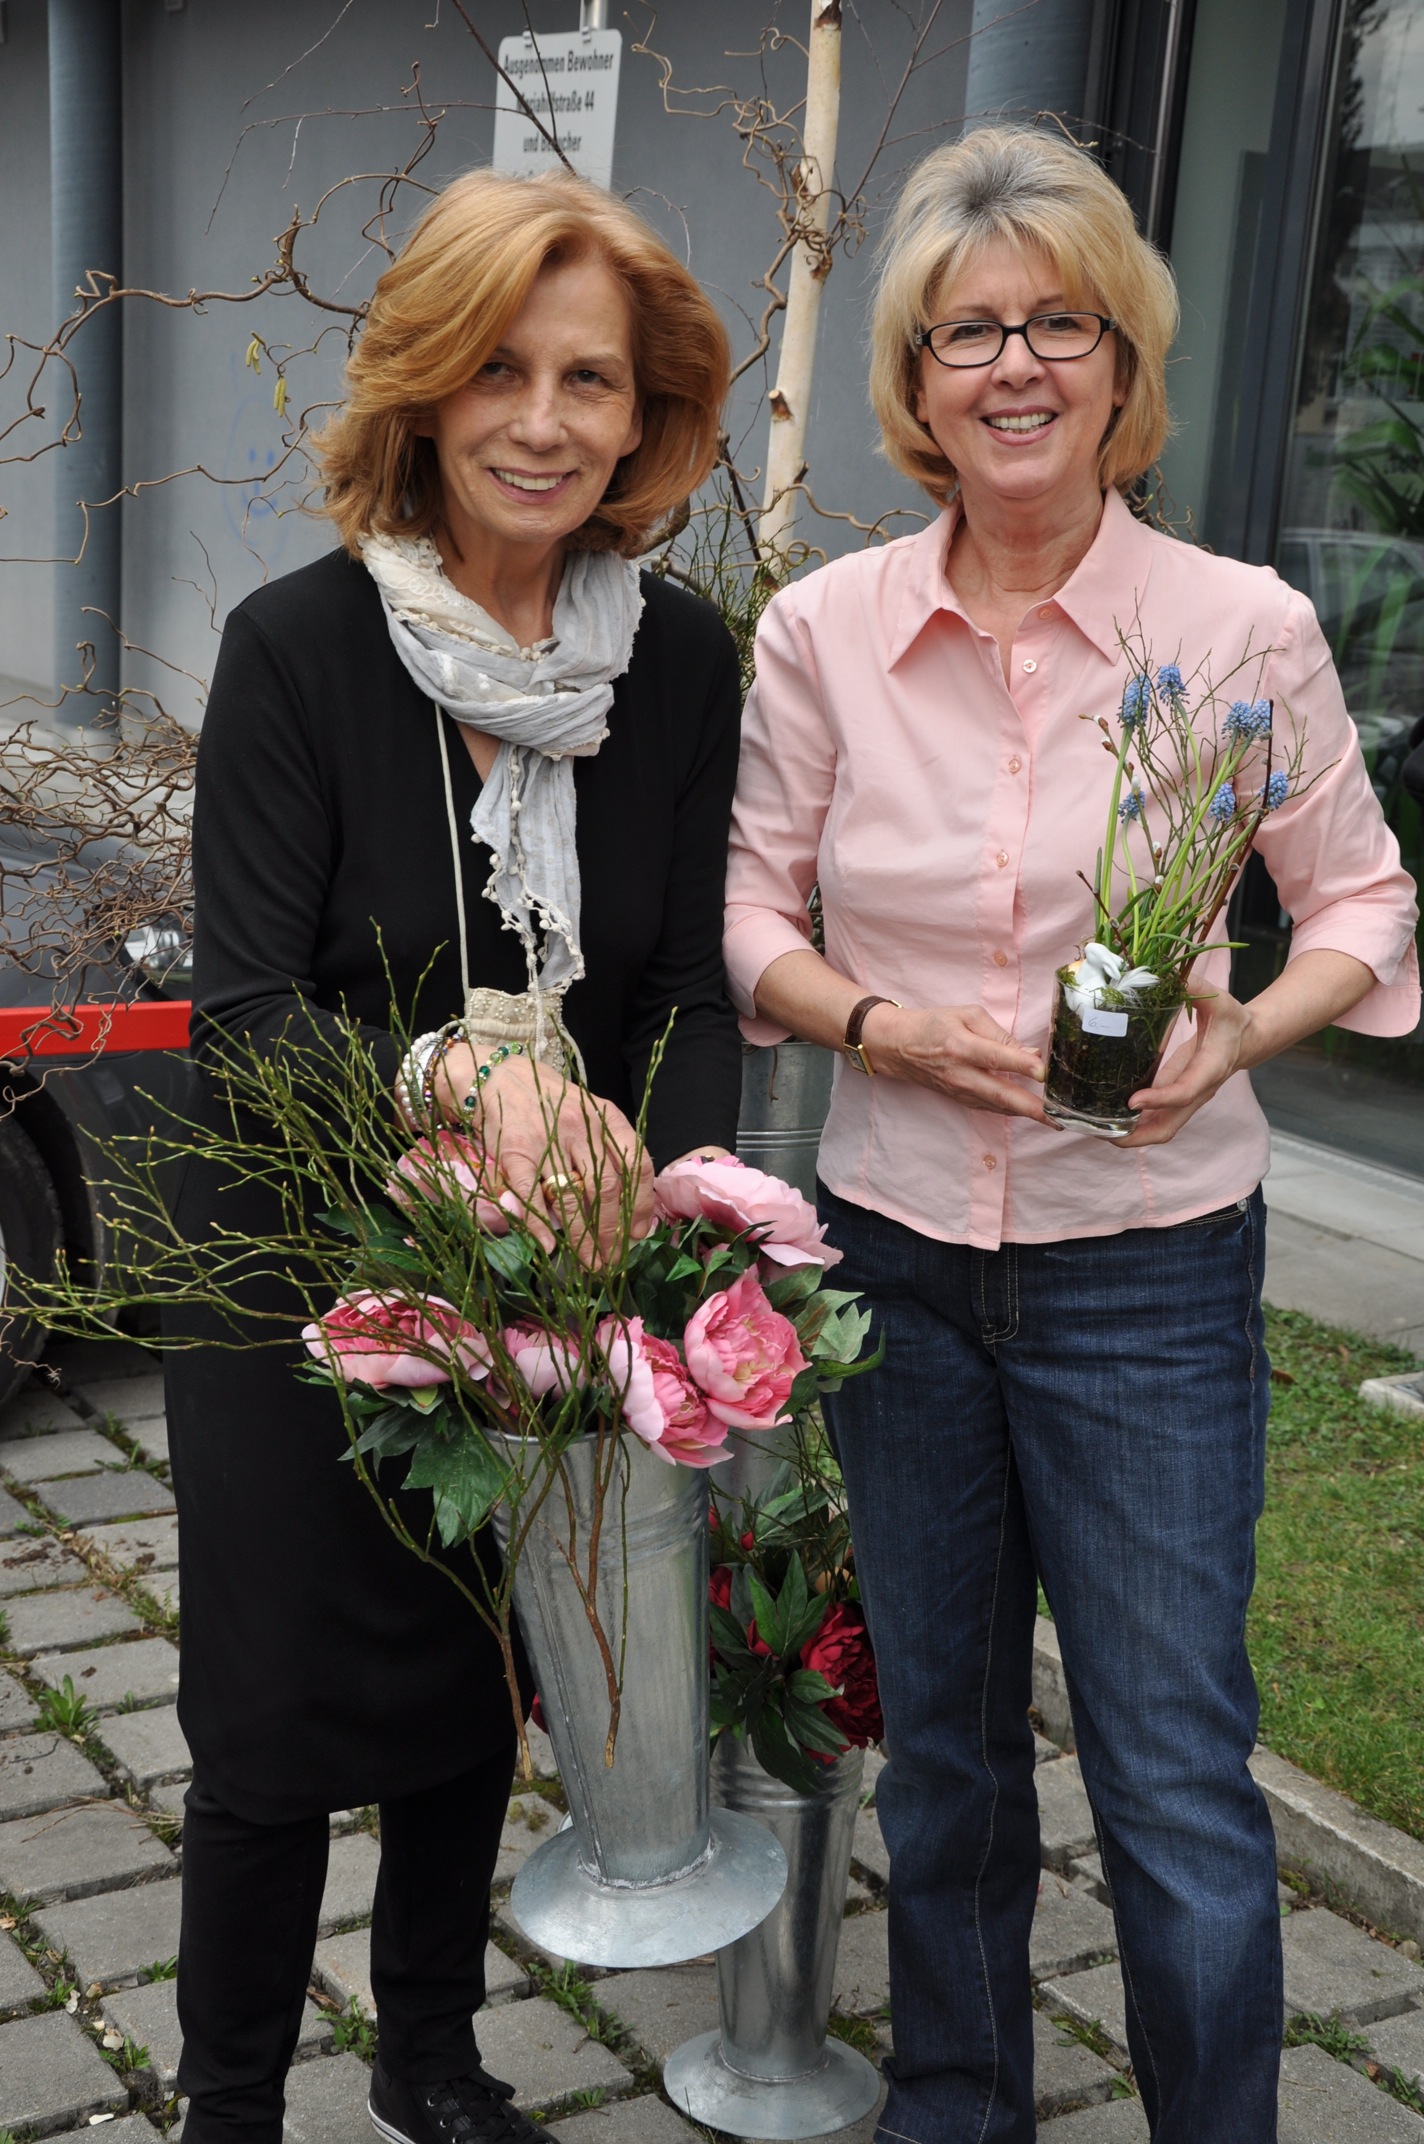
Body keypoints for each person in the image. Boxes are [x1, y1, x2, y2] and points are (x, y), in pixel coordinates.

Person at [723, 126, 1420, 2143]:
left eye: (1059, 324)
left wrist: (1243, 1029)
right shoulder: (826, 630)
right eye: (968, 332)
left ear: (1123, 361)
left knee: (1172, 1777)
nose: (1014, 365)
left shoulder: (1240, 628)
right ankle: (958, 2108)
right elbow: (752, 917)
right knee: (944, 1756)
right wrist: (887, 1025)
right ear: (914, 378)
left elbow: (1366, 903)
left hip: (1149, 1268)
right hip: (901, 1259)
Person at [167, 169, 739, 2144]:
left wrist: (659, 1216)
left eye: (592, 379)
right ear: (422, 381)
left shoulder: (681, 664)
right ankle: (231, 2103)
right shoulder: (299, 649)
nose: (545, 421)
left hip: (554, 1280)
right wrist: (458, 1087)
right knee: (266, 1728)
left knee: (468, 1687)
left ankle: (427, 2060)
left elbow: (687, 991)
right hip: (298, 1267)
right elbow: (244, 1011)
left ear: (646, 412)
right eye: (500, 368)